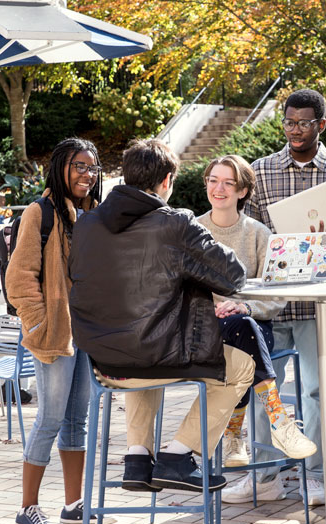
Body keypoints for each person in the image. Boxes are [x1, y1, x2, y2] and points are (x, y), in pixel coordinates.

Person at [68, 139, 255, 493]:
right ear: (167, 181)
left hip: (105, 363)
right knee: (242, 367)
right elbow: (234, 276)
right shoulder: (175, 223)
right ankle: (179, 454)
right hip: (159, 356)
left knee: (140, 348)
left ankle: (137, 459)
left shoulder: (86, 223)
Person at [223, 88, 326, 505]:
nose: (294, 130)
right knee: (262, 394)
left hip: (318, 306)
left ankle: (317, 477)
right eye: (289, 122)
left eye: (304, 123)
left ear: (321, 125)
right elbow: (249, 235)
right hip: (270, 304)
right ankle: (266, 475)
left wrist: (325, 251)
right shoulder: (262, 170)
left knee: (314, 393)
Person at [6, 138, 114, 524]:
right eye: (78, 167)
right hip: (54, 332)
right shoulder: (40, 212)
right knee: (50, 419)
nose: (87, 174)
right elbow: (19, 279)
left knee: (77, 421)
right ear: (60, 168)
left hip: (86, 333)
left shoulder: (93, 213)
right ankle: (27, 508)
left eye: (92, 168)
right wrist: (38, 322)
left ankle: (73, 506)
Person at [196, 154, 317, 481]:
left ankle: (238, 432)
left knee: (246, 328)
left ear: (243, 191)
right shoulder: (191, 230)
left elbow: (278, 295)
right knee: (243, 334)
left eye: (228, 183)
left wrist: (245, 307)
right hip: (205, 326)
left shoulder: (259, 233)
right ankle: (275, 421)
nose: (218, 188)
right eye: (213, 180)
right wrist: (214, 308)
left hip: (250, 324)